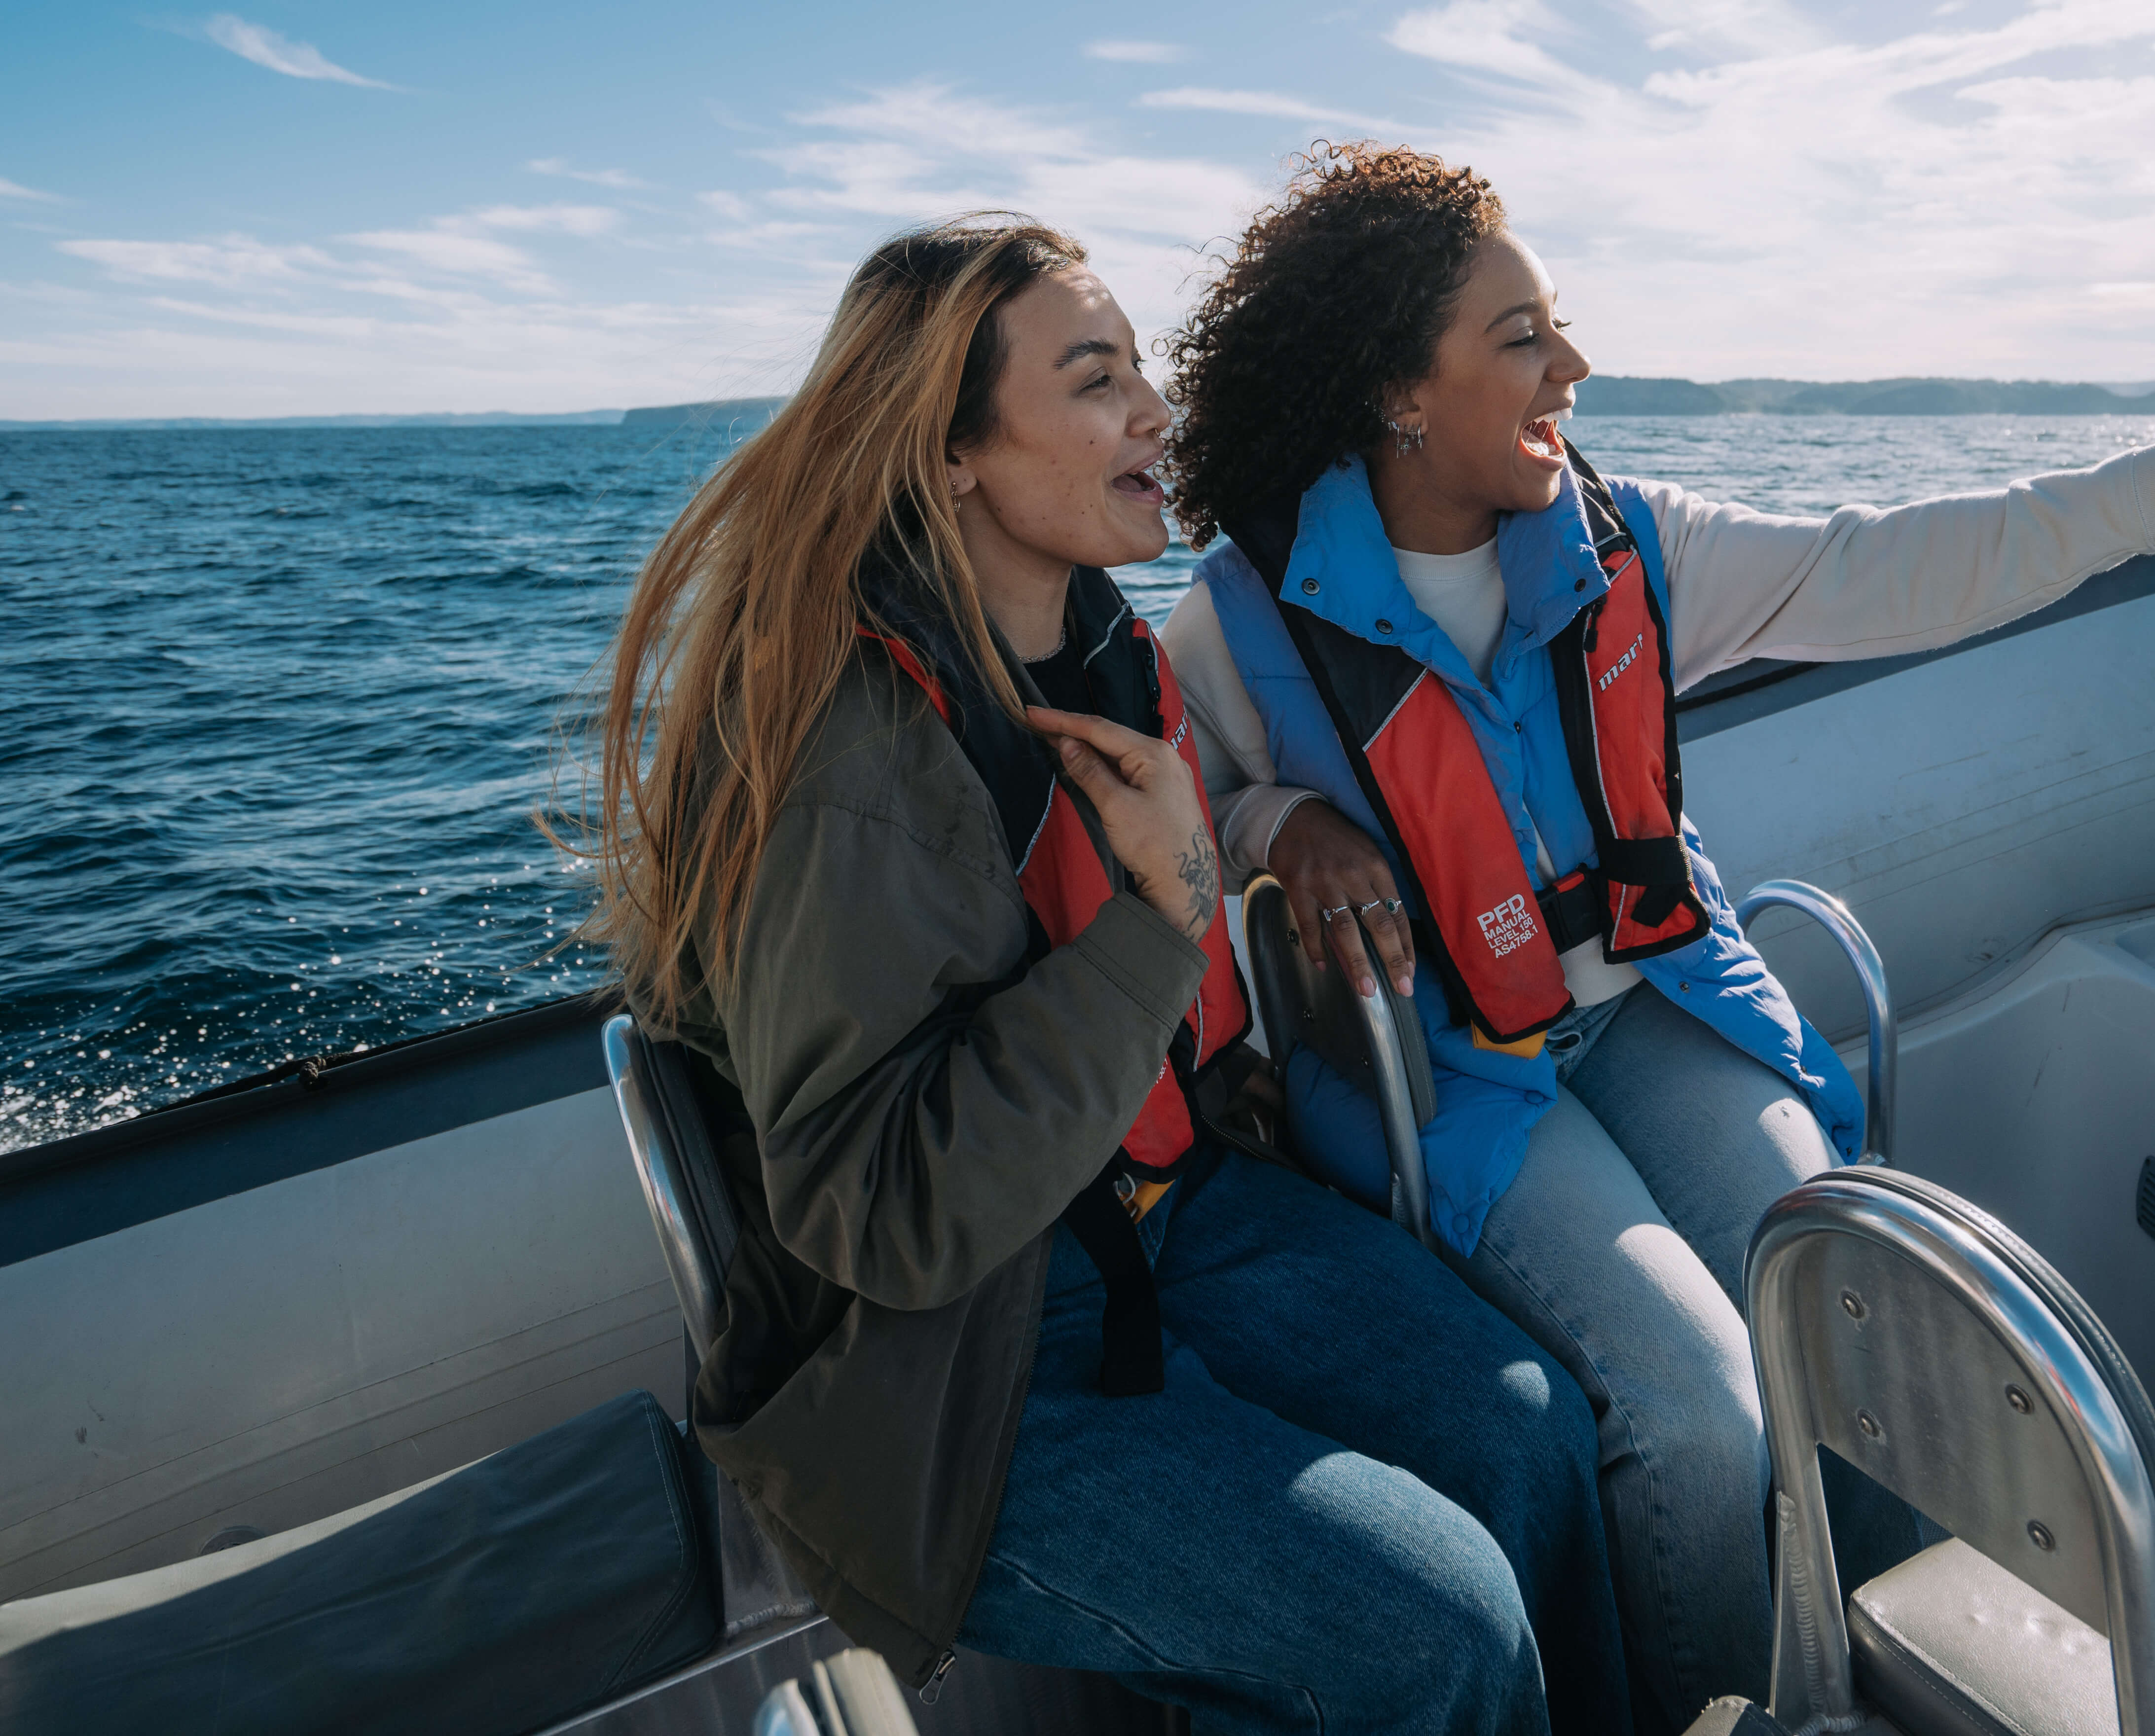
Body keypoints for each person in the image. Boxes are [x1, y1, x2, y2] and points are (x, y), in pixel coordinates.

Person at [1157, 143, 2155, 1727]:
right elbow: (1193, 811)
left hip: (1654, 1009)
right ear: (1398, 394)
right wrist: (1277, 827)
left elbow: (1909, 557)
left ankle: (1901, 1687)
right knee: (1703, 1419)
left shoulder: (1630, 539)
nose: (1574, 367)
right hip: (1458, 1078)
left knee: (1877, 1320)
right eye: (1523, 339)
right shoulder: (1230, 622)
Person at [584, 216, 1628, 1736]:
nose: (1155, 412)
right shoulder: (858, 760)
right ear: (950, 455)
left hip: (1162, 1217)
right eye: (1096, 380)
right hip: (963, 1377)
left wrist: (1224, 1058)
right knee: (1435, 1633)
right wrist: (1160, 919)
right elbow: (882, 1214)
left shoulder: (1093, 650)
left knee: (1529, 1440)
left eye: (1142, 369)